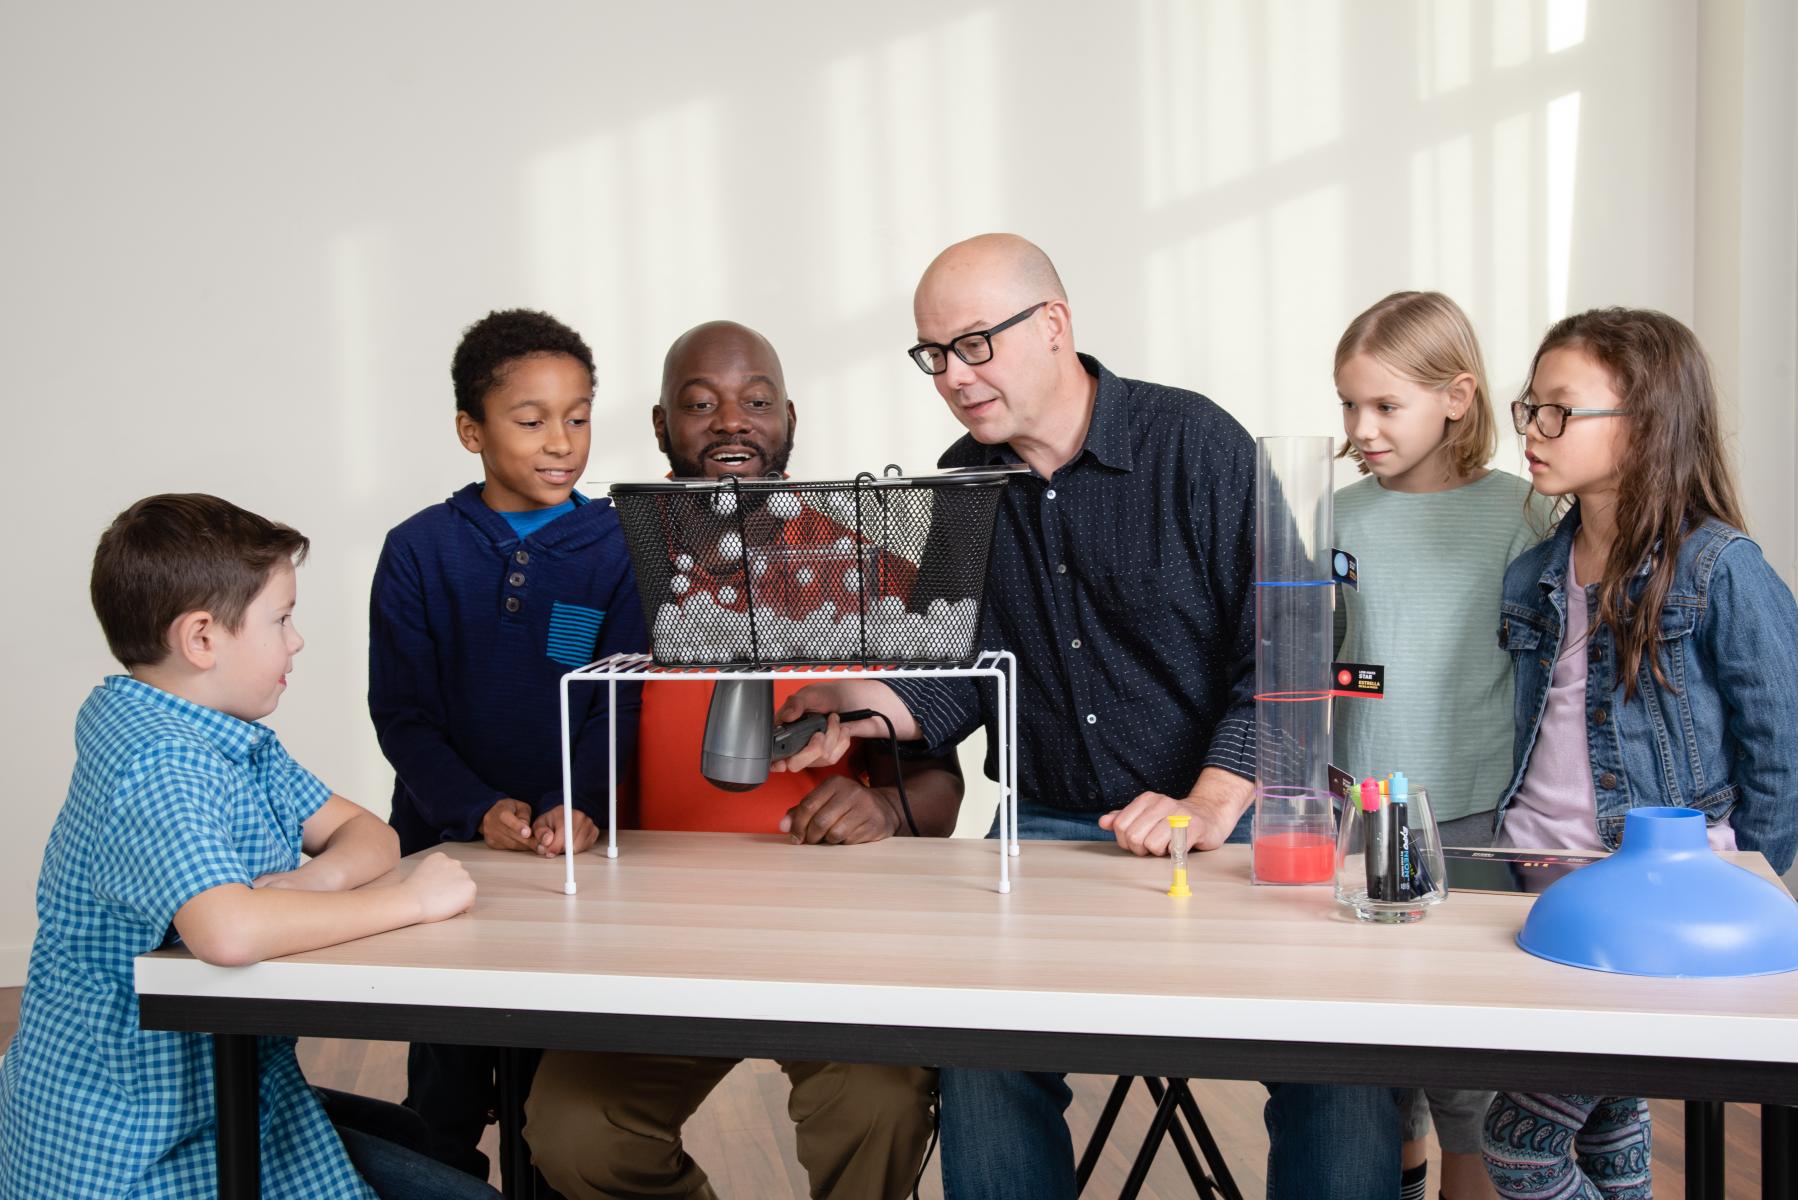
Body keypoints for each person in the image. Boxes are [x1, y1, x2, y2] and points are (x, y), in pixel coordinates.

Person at [775, 233, 1403, 1200]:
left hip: (1235, 830)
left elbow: (1286, 653)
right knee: (982, 1048)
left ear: (1055, 327)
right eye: (934, 353)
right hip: (1054, 834)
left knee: (1337, 1051)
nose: (952, 375)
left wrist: (1209, 798)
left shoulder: (1196, 444)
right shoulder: (958, 477)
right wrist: (871, 706)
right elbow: (959, 678)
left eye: (974, 343)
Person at [523, 320, 947, 1199]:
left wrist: (893, 812)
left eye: (755, 401)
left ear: (789, 417)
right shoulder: (603, 566)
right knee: (573, 1130)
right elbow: (552, 700)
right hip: (654, 931)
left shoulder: (872, 563)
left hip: (840, 931)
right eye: (700, 403)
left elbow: (943, 771)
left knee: (882, 1103)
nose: (730, 423)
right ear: (658, 426)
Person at [0, 493, 492, 1200]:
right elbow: (228, 931)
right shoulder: (159, 761)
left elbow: (367, 832)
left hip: (219, 1099)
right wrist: (409, 903)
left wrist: (314, 883)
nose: (296, 641)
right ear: (202, 638)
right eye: (282, 618)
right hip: (138, 1154)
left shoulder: (225, 737)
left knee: (416, 1139)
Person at [1482, 308, 1798, 1198]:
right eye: (1529, 408)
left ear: (1648, 423)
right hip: (1545, 900)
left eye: (1559, 411)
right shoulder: (1535, 571)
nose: (1534, 434)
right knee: (1608, 1126)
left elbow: (1786, 748)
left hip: (1656, 915)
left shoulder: (1719, 567)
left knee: (1520, 1146)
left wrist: (1738, 892)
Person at [368, 308, 646, 1179]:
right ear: (470, 431)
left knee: (545, 1074)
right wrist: (473, 809)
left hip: (566, 854)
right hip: (444, 846)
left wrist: (584, 805)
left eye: (579, 414)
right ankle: (441, 1175)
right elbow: (402, 714)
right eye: (531, 421)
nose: (561, 441)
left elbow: (619, 700)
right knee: (445, 1072)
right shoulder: (417, 551)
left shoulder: (618, 548)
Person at [1331, 291, 1546, 1200]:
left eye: (1386, 405)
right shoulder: (1333, 514)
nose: (1362, 427)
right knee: (1372, 1066)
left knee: (1465, 1069)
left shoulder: (1523, 513)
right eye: (1348, 405)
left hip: (1471, 818)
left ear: (1457, 396)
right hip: (1353, 818)